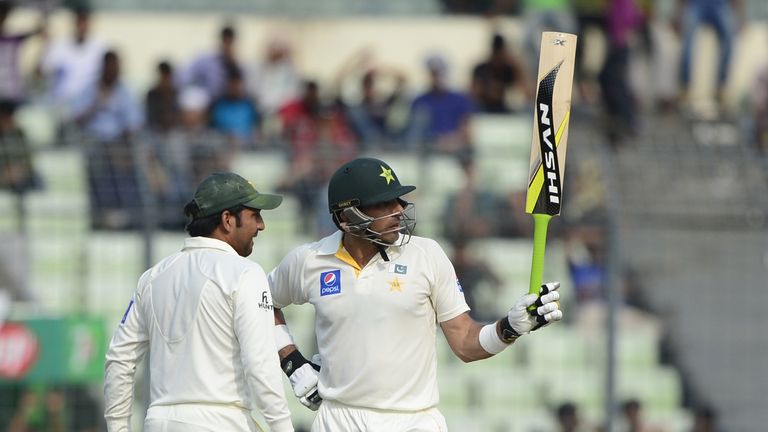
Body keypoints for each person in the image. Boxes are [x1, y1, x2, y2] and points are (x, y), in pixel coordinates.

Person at [267, 157, 563, 431]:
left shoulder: (427, 255)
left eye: (397, 200)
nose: (397, 210)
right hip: (338, 420)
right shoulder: (310, 260)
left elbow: (464, 343)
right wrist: (293, 363)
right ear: (346, 216)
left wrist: (508, 328)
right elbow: (263, 302)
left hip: (414, 420)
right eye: (382, 204)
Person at [104, 172, 295, 432]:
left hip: (158, 421)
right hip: (220, 422)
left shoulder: (152, 277)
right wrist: (283, 428)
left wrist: (118, 429)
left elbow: (119, 358)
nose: (261, 226)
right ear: (227, 220)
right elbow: (260, 365)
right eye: (255, 215)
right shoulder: (245, 273)